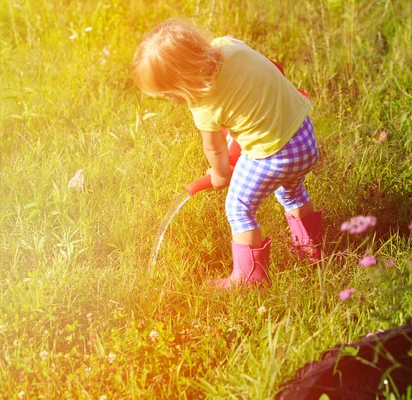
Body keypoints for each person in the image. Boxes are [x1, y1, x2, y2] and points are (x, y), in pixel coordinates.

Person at [131, 19, 322, 288]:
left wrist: (220, 174)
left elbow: (214, 147)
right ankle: (310, 249)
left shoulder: (204, 107)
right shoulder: (228, 44)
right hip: (303, 137)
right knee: (291, 191)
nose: (171, 101)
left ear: (183, 84)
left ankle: (249, 279)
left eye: (168, 95)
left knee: (238, 208)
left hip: (273, 155)